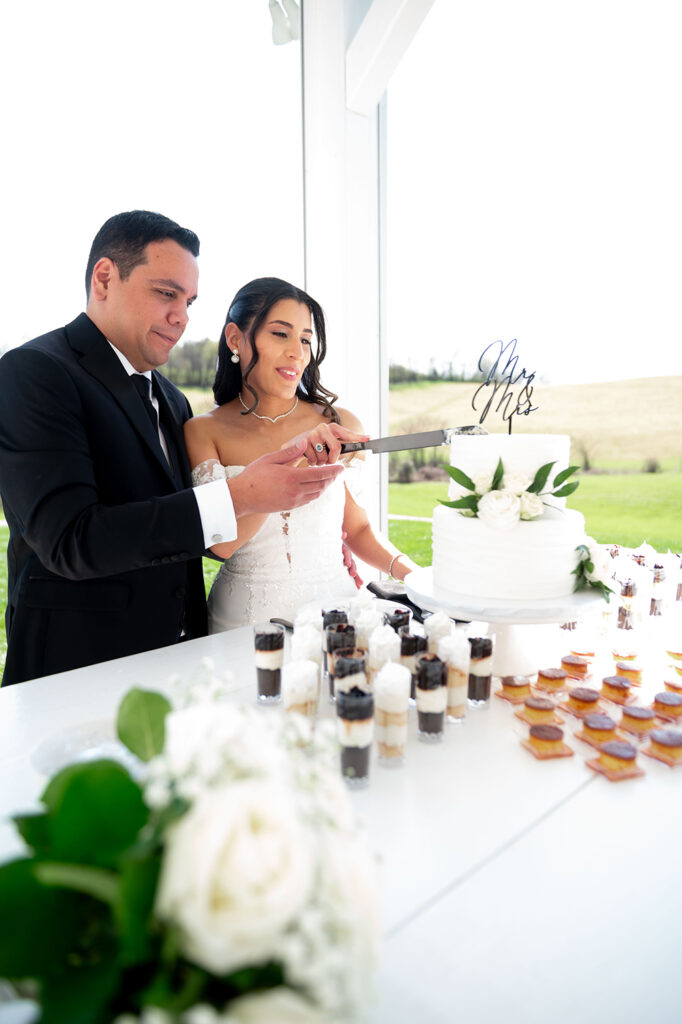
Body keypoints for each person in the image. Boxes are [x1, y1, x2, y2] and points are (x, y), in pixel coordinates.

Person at [0, 212, 357, 686]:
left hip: (182, 661)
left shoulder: (171, 399)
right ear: (104, 278)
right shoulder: (34, 372)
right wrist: (244, 495)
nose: (182, 317)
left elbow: (186, 532)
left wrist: (302, 541)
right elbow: (71, 540)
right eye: (166, 293)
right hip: (77, 671)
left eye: (188, 301)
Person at [184, 277, 419, 631]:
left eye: (306, 339)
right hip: (241, 621)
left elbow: (357, 530)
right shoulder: (203, 431)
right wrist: (299, 456)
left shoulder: (340, 422)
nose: (297, 352)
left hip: (336, 612)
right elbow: (224, 546)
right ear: (235, 338)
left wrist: (416, 578)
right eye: (281, 334)